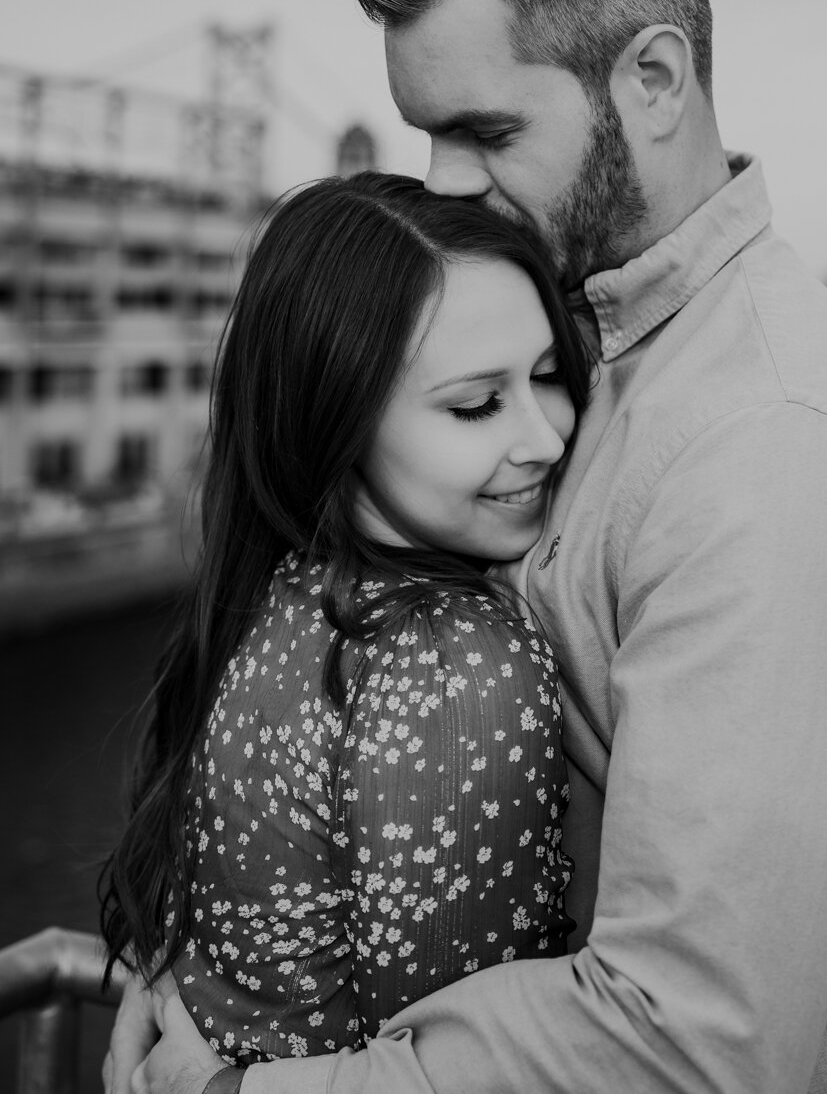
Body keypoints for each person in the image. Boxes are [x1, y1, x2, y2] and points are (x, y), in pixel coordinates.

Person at [109, 0, 827, 1094]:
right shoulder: (558, 326)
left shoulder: (778, 446)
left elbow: (695, 1048)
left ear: (653, 82)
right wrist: (206, 976)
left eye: (487, 132)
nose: (441, 185)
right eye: (424, 133)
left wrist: (249, 1089)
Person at [100, 172, 594, 1062]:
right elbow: (461, 1070)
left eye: (550, 376)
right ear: (337, 420)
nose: (545, 437)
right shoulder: (456, 663)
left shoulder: (285, 588)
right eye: (476, 403)